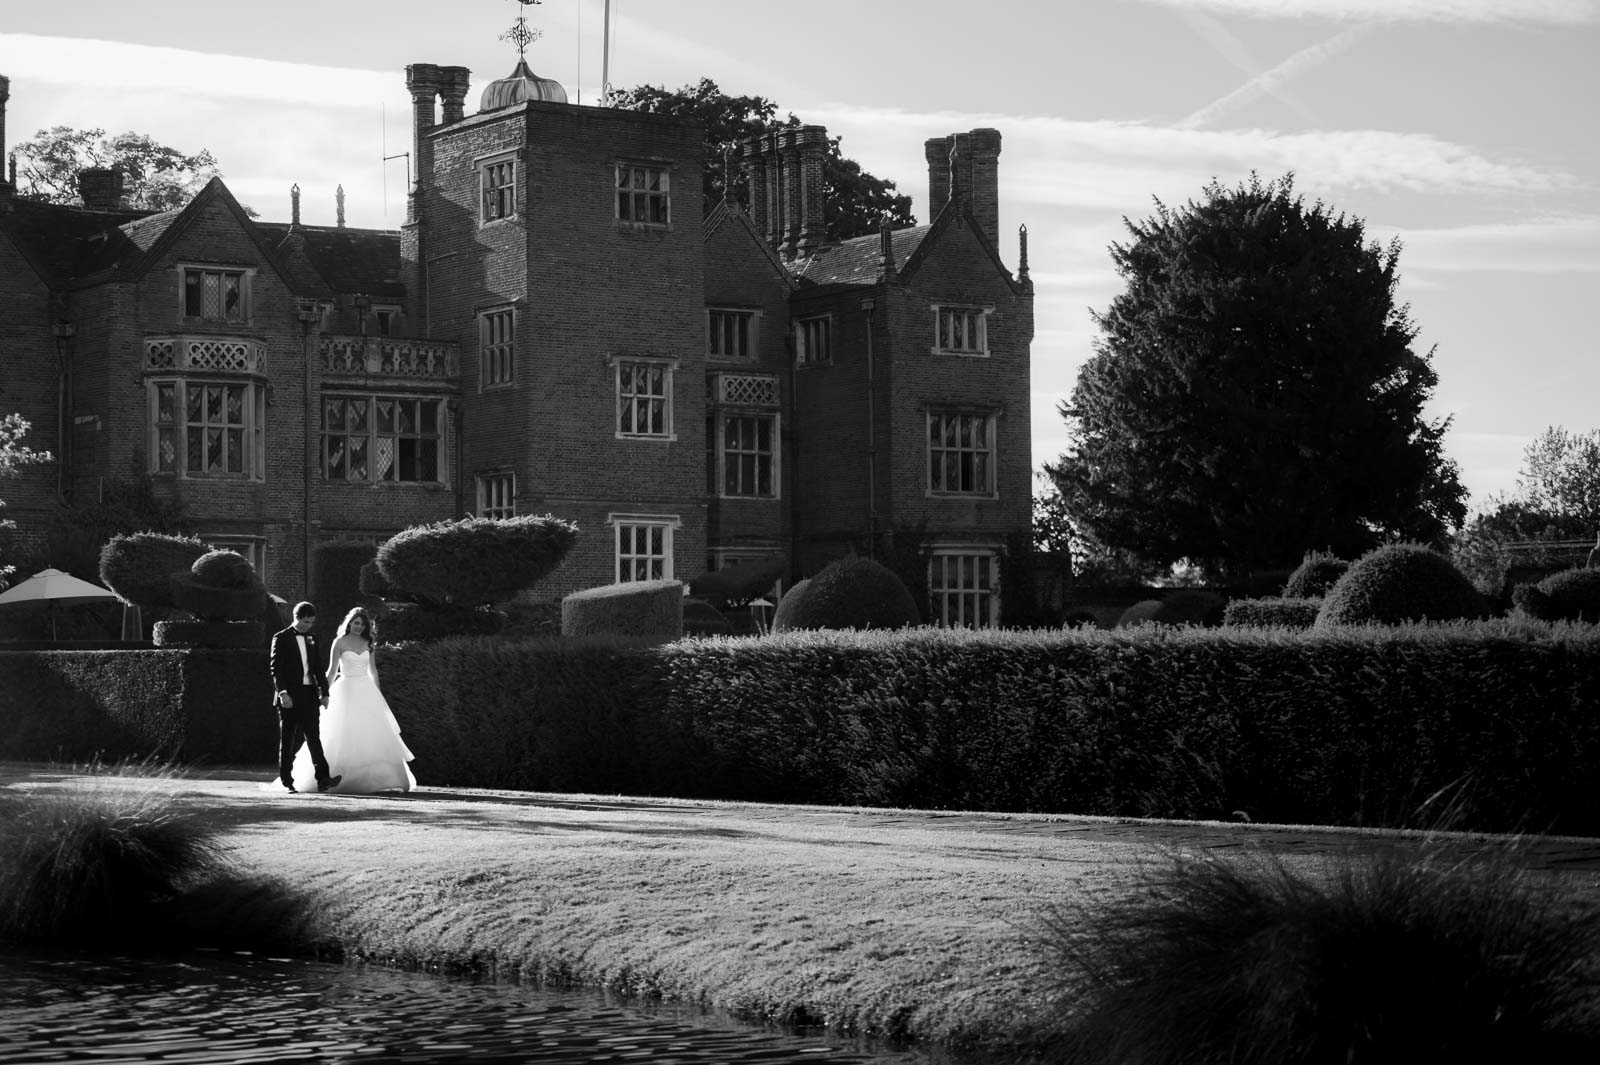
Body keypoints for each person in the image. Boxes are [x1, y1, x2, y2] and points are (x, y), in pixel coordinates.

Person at [291, 607, 416, 794]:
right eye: (356, 623)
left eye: (362, 624)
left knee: (371, 734)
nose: (359, 627)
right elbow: (332, 671)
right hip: (345, 689)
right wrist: (323, 692)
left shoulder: (368, 643)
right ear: (349, 623)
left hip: (366, 691)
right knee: (341, 732)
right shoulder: (339, 642)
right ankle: (329, 778)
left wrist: (378, 694)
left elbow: (373, 670)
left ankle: (380, 780)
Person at [269, 601, 340, 793]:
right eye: (306, 622)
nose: (309, 626)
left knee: (314, 738)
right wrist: (283, 693)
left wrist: (325, 693)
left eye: (311, 622)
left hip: (309, 696)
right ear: (297, 618)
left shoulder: (312, 638)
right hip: (289, 696)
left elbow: (318, 667)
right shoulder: (281, 638)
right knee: (288, 740)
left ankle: (323, 779)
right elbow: (276, 668)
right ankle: (287, 781)